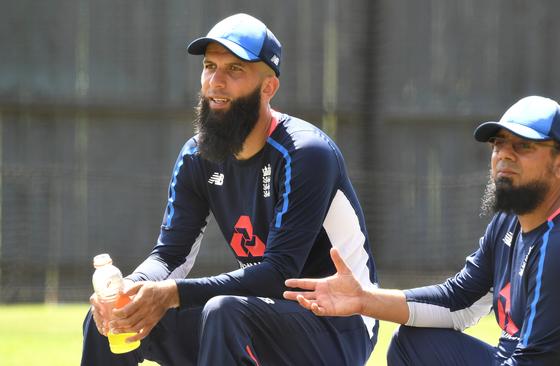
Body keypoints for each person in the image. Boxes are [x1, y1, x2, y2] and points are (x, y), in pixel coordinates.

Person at [81, 13, 379, 366]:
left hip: (339, 326)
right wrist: (132, 289)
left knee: (224, 311)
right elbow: (171, 256)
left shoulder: (306, 153)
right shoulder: (197, 155)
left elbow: (279, 273)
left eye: (234, 70)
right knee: (116, 317)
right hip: (258, 315)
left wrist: (172, 294)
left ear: (268, 87)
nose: (215, 82)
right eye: (210, 66)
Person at [285, 95, 560, 365]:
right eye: (499, 144)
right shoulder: (511, 220)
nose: (504, 155)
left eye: (523, 146)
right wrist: (364, 299)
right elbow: (459, 301)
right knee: (413, 345)